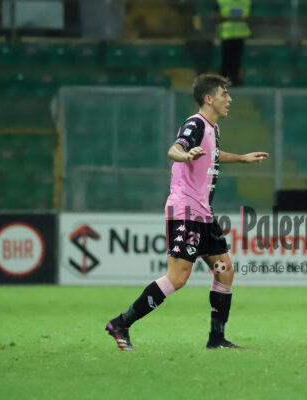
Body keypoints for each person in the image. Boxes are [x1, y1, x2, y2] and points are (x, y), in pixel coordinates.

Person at [106, 74, 269, 351]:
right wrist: (185, 155)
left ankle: (216, 339)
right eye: (224, 94)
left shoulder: (213, 129)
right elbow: (175, 150)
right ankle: (121, 323)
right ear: (209, 99)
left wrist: (242, 158)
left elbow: (212, 154)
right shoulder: (195, 124)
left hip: (203, 213)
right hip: (186, 211)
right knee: (178, 278)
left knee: (224, 271)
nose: (229, 99)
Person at [215, 0, 251, 86]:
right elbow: (217, 16)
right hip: (226, 36)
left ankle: (234, 82)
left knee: (236, 62)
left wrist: (229, 18)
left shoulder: (246, 1)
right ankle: (224, 83)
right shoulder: (222, 1)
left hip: (240, 36)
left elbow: (248, 18)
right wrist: (237, 19)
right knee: (226, 61)